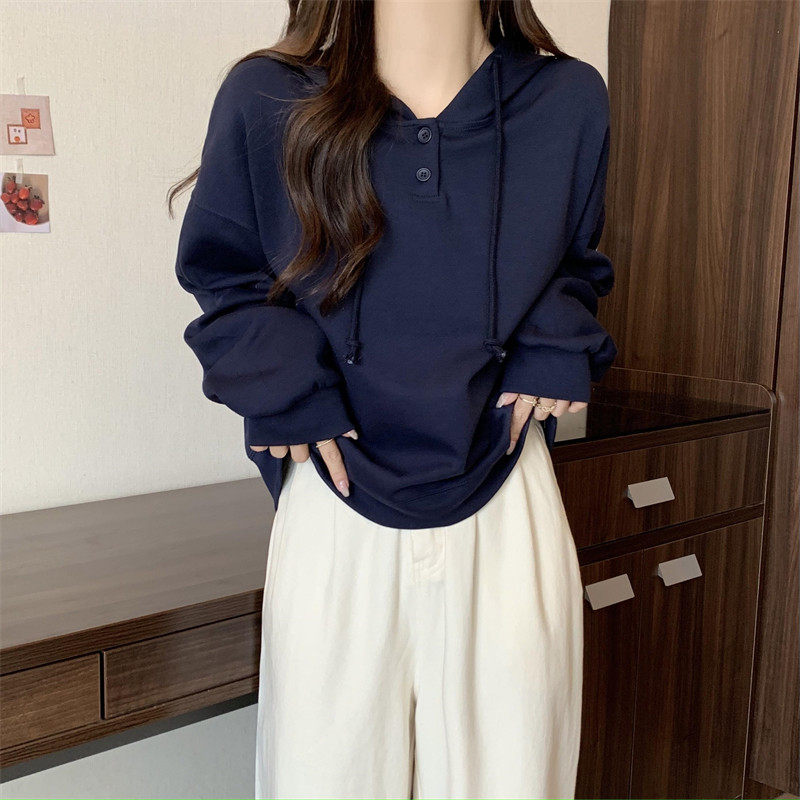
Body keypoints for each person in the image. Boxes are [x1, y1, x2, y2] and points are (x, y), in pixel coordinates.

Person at [170, 1, 617, 797]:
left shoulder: (568, 101)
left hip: (506, 502)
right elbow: (224, 271)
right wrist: (283, 388)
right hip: (334, 506)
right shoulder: (266, 98)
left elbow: (574, 263)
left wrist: (555, 342)